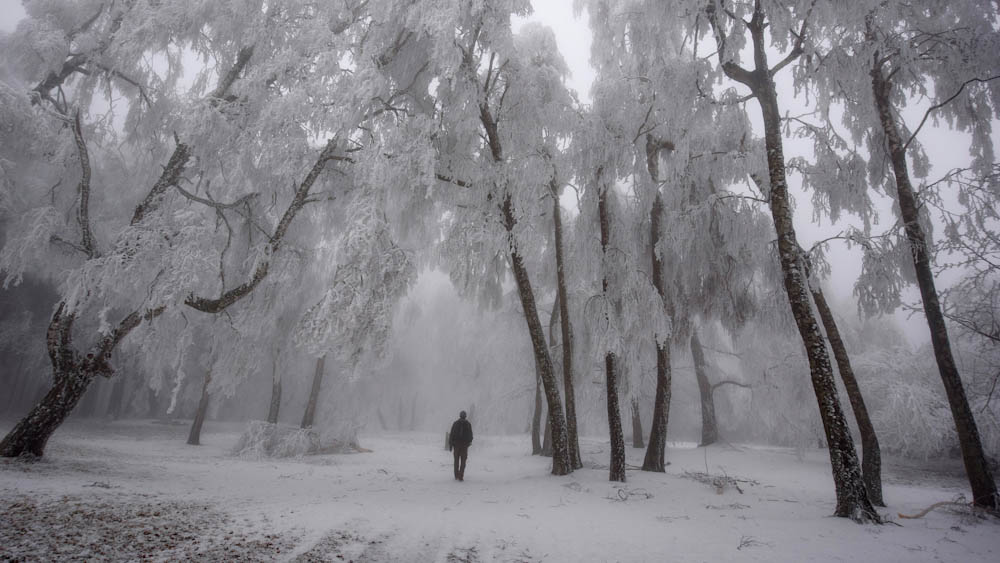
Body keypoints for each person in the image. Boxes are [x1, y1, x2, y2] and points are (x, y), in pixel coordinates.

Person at [449, 410, 473, 481]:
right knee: (463, 462)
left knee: (456, 461)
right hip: (464, 446)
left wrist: (451, 444)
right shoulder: (468, 424)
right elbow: (470, 435)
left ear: (460, 415)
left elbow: (451, 435)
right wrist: (469, 443)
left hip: (456, 446)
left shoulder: (455, 423)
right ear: (465, 416)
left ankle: (456, 475)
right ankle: (461, 476)